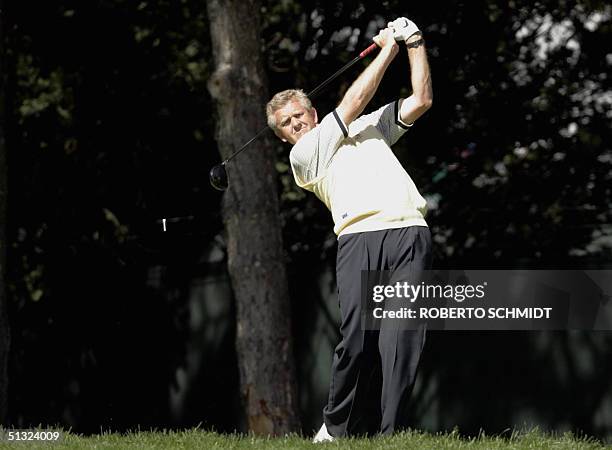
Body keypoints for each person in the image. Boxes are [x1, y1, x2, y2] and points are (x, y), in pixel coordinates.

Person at [265, 17, 433, 441]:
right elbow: (355, 99)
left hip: (410, 231)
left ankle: (391, 433)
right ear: (285, 137)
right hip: (359, 239)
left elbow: (421, 99)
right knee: (357, 336)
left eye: (299, 114)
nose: (296, 123)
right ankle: (335, 426)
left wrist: (413, 43)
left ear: (312, 111)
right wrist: (387, 51)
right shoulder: (305, 155)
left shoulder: (368, 125)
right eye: (287, 123)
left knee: (401, 337)